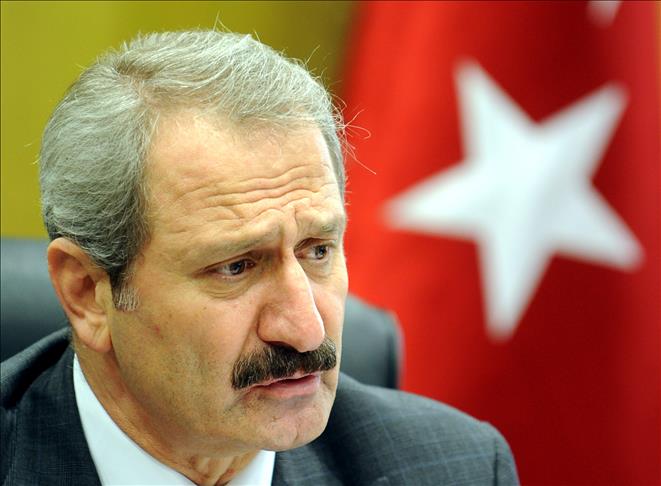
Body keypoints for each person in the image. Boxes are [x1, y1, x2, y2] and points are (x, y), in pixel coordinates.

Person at [1, 30, 519, 485]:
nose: (306, 331)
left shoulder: (456, 468)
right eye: (236, 266)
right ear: (87, 292)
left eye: (318, 251)